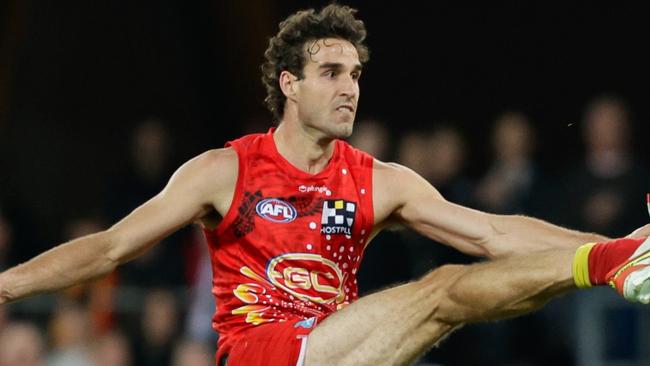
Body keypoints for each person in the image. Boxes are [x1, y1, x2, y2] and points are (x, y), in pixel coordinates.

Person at [1, 4, 649, 366]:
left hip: (341, 349)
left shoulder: (379, 180)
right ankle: (617, 259)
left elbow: (493, 231)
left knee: (475, 296)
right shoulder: (224, 170)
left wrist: (612, 242)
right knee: (441, 290)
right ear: (289, 83)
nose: (350, 88)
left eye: (357, 74)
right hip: (259, 353)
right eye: (332, 72)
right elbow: (108, 249)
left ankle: (621, 257)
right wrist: (6, 284)